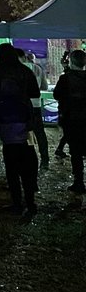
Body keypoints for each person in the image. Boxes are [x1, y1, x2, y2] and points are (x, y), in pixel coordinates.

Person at [0, 43, 41, 213]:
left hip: (5, 122)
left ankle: (17, 203)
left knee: (11, 169)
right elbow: (35, 93)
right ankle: (31, 200)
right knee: (28, 163)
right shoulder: (25, 71)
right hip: (24, 117)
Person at [53, 49, 86, 194]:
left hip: (71, 119)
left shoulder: (65, 78)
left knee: (76, 152)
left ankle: (79, 182)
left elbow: (57, 95)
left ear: (71, 61)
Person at [21, 51, 50, 169]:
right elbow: (44, 87)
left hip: (22, 105)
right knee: (40, 133)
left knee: (23, 132)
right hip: (35, 104)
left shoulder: (18, 69)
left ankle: (26, 160)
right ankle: (45, 159)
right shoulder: (38, 68)